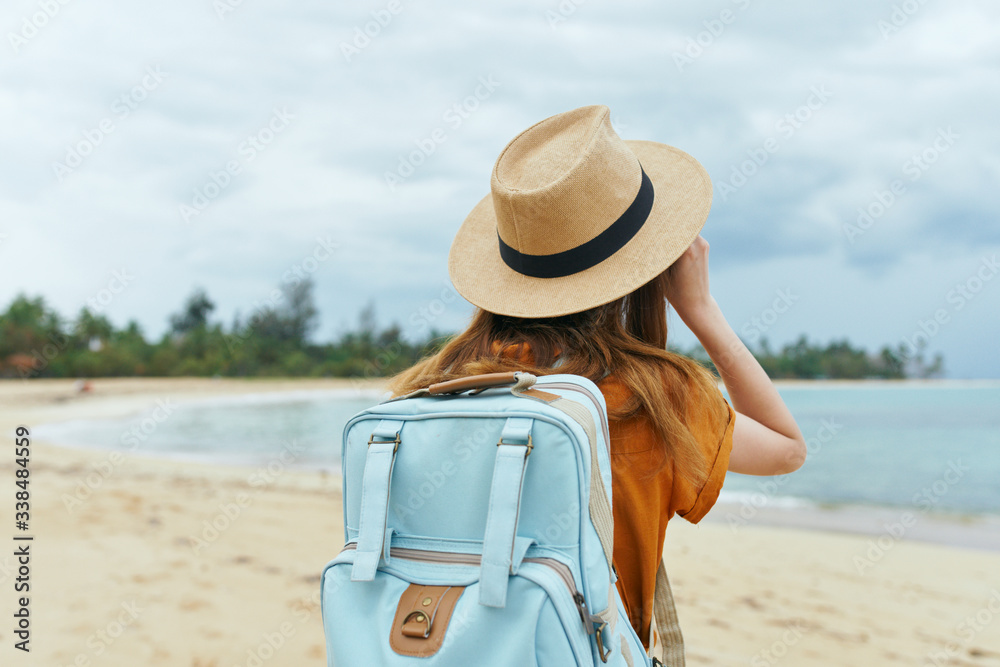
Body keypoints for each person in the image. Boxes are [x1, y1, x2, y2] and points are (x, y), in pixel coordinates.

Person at [389, 105, 807, 650]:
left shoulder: (435, 387)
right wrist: (702, 311)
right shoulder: (654, 398)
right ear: (651, 262)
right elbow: (787, 449)